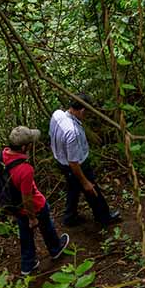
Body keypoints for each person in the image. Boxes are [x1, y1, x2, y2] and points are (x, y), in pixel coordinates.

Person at [0, 126, 69, 275]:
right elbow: (27, 198)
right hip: (33, 206)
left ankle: (28, 264)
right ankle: (55, 249)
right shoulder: (25, 170)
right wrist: (32, 218)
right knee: (46, 226)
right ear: (24, 147)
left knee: (25, 233)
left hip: (12, 205)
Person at [49, 93, 120, 227]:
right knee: (91, 189)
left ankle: (69, 217)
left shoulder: (57, 114)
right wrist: (85, 181)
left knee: (73, 188)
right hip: (75, 165)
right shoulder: (72, 132)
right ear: (82, 110)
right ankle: (104, 217)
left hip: (60, 160)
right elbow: (73, 162)